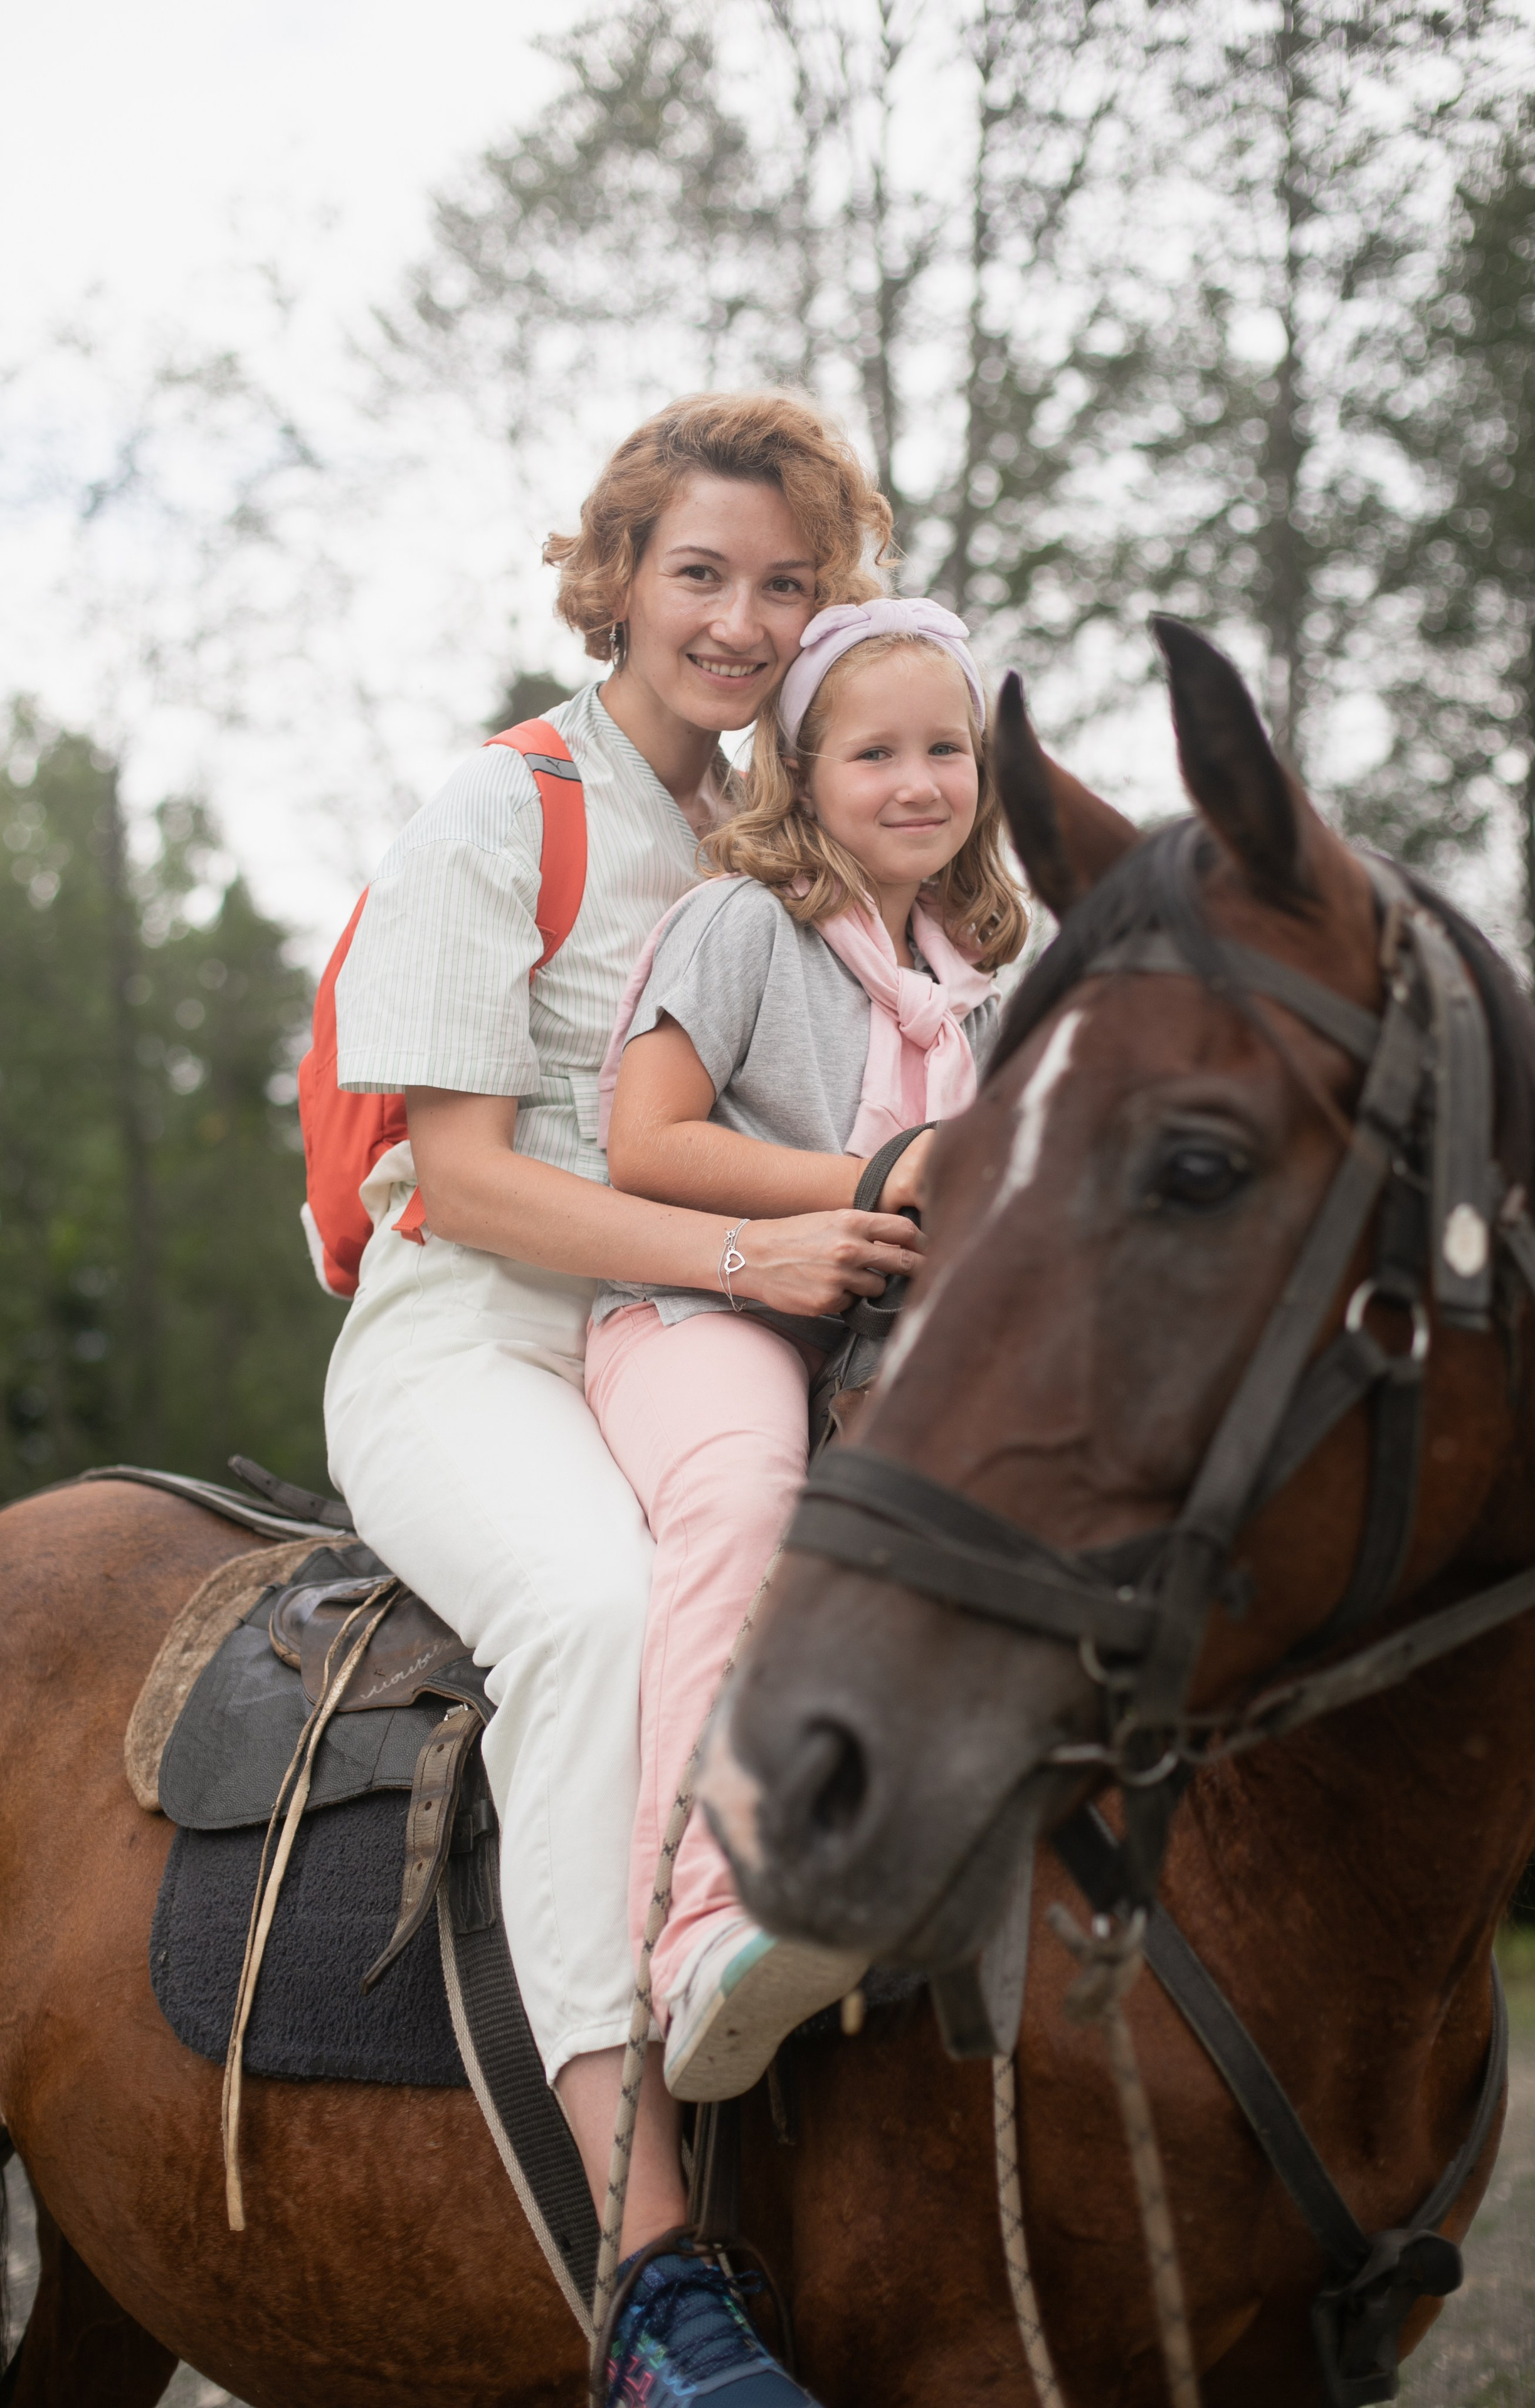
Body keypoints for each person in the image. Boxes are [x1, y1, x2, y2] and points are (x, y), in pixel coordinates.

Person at [322, 394, 920, 2402]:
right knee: (586, 1613)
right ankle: (651, 2268)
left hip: (692, 1342)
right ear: (616, 580)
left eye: (784, 584)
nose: (739, 621)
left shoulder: (794, 832)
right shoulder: (504, 812)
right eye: (699, 574)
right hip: (476, 1337)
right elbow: (474, 1177)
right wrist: (753, 1258)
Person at [587, 600, 1028, 2127]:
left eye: (945, 750)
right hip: (701, 1314)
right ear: (801, 767)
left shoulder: (974, 977)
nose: (917, 783)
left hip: (876, 1347)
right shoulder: (742, 923)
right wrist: (875, 1173)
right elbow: (642, 1144)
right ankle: (695, 1928)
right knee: (747, 1499)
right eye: (874, 753)